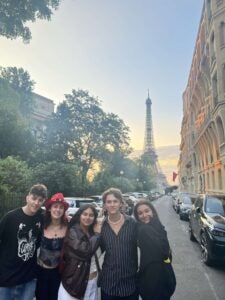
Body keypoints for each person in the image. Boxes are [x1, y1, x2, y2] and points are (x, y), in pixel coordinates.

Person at [0, 183, 48, 300]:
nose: (36, 203)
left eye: (40, 200)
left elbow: (59, 219)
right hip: (7, 279)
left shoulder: (42, 217)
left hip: (28, 280)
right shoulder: (10, 218)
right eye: (34, 198)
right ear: (27, 197)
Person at [98, 187, 138, 300]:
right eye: (109, 202)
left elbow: (145, 245)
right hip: (108, 283)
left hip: (130, 283)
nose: (112, 204)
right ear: (105, 205)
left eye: (115, 201)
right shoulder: (101, 226)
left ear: (121, 203)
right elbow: (94, 251)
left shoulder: (132, 223)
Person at [134, 199, 176, 300]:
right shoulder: (144, 229)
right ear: (137, 216)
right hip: (152, 279)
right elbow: (164, 250)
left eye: (147, 211)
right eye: (140, 213)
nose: (144, 215)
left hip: (160, 277)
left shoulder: (154, 226)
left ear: (152, 211)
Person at [58, 204, 101, 300]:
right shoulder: (72, 232)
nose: (87, 217)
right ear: (79, 215)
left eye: (91, 215)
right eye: (85, 214)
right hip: (74, 282)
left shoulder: (93, 232)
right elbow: (85, 252)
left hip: (92, 282)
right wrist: (98, 235)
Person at [35, 193, 69, 300]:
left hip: (58, 272)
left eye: (61, 207)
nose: (57, 210)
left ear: (64, 210)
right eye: (55, 206)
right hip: (41, 272)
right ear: (49, 208)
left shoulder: (69, 227)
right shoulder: (41, 223)